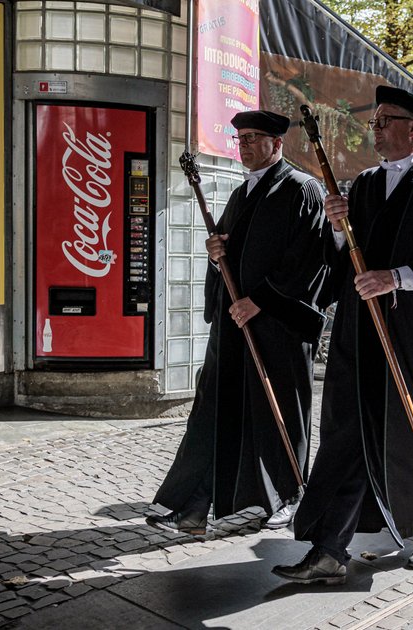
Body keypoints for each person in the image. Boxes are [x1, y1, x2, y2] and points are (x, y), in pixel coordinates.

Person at [275, 86, 413, 585]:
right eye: (376, 121)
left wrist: (396, 277)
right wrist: (341, 229)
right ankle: (329, 547)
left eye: (385, 121)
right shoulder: (365, 184)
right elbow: (347, 258)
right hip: (361, 326)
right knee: (346, 431)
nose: (376, 130)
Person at [148, 110, 330, 535]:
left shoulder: (302, 190)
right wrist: (217, 253)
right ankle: (195, 504)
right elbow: (229, 256)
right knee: (215, 411)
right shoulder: (241, 193)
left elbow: (307, 262)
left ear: (276, 144)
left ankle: (289, 495)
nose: (244, 145)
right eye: (240, 138)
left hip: (278, 326)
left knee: (278, 411)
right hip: (233, 322)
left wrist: (260, 302)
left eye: (253, 138)